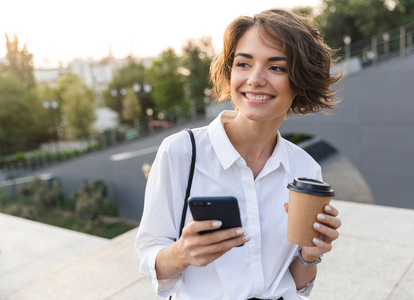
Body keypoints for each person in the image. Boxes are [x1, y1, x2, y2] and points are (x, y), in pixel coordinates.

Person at [136, 8, 342, 300]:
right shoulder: (181, 153)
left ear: (300, 80)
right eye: (244, 63)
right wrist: (181, 253)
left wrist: (310, 254)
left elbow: (296, 285)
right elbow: (149, 256)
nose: (255, 79)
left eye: (277, 67)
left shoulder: (305, 169)